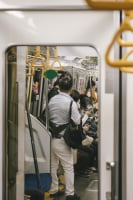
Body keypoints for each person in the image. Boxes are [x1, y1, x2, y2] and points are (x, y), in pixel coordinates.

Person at [48, 71, 81, 200]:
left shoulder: (51, 100)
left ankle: (53, 188)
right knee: (68, 167)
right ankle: (70, 194)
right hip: (63, 140)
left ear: (59, 86)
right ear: (71, 88)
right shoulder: (71, 103)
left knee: (53, 165)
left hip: (50, 138)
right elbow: (77, 120)